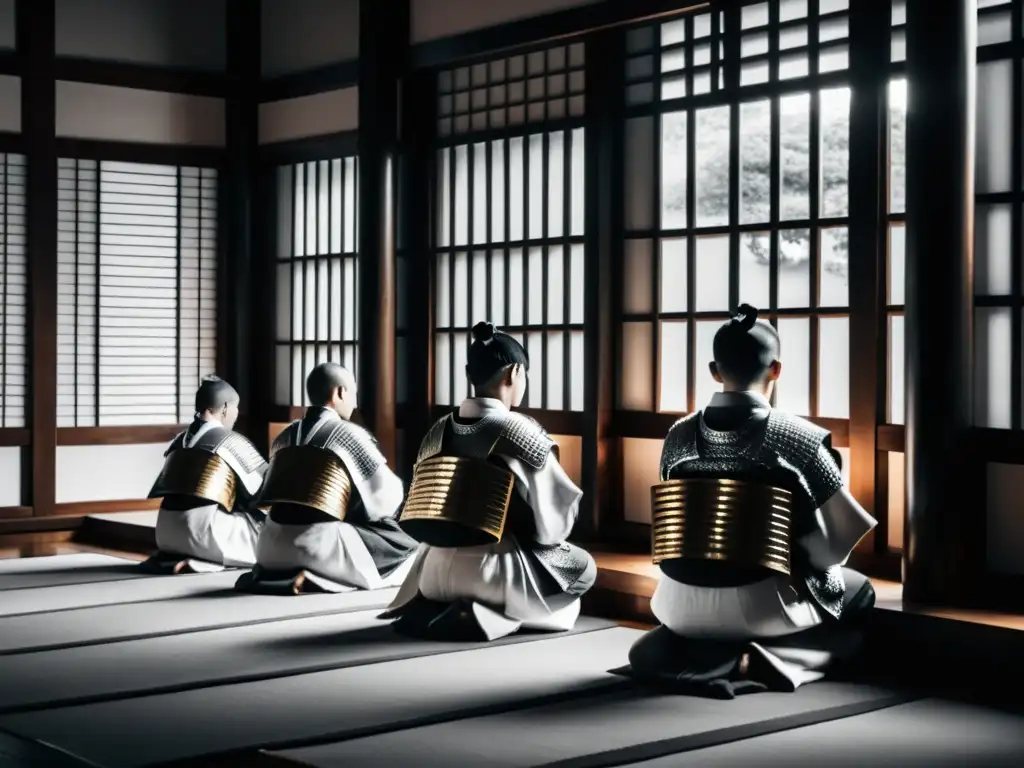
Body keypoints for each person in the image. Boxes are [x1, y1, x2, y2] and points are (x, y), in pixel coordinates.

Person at [627, 304, 878, 698]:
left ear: (714, 369)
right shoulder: (800, 439)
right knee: (859, 592)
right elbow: (834, 549)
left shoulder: (677, 436)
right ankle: (771, 660)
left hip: (676, 602)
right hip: (763, 606)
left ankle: (697, 656)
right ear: (776, 369)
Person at [380, 321, 596, 641]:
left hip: (429, 569)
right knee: (583, 568)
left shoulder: (436, 431)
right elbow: (554, 523)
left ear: (470, 374)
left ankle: (437, 606)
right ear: (513, 373)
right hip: (491, 571)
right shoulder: (519, 432)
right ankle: (483, 613)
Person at [236, 363, 418, 594]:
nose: (354, 402)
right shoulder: (349, 434)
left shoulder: (283, 437)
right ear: (339, 392)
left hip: (268, 546)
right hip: (316, 546)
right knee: (407, 547)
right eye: (353, 394)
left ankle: (279, 573)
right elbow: (387, 498)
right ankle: (320, 576)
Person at [144, 376, 269, 574]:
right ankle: (201, 560)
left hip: (165, 534)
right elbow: (266, 491)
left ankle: (186, 557)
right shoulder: (231, 441)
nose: (236, 415)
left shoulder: (179, 441)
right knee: (267, 536)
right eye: (236, 409)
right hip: (203, 534)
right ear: (226, 408)